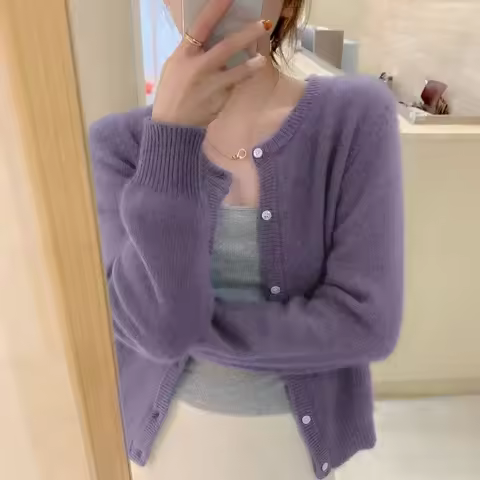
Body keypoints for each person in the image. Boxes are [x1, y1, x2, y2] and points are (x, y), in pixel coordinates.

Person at [89, 0, 404, 478]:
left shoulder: (355, 117)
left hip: (291, 451)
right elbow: (157, 332)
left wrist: (193, 331)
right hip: (167, 449)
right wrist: (170, 140)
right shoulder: (120, 145)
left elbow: (366, 323)